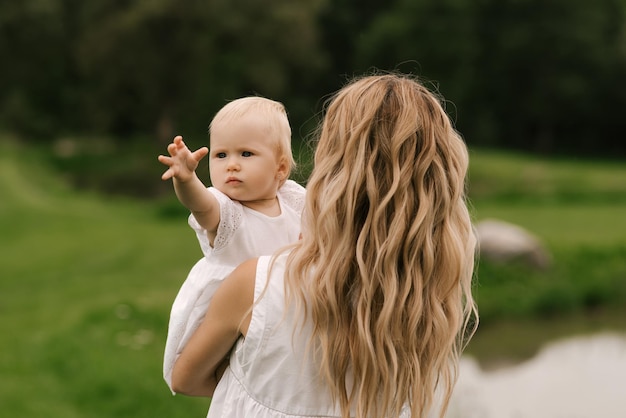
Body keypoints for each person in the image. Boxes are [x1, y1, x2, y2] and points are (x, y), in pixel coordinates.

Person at [171, 73, 478, 418]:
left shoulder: (254, 284)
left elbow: (185, 379)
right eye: (222, 154)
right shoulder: (422, 293)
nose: (232, 164)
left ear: (332, 165)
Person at [157, 96, 306, 392]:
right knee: (233, 368)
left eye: (246, 154)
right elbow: (201, 206)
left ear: (280, 168)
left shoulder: (292, 199)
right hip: (228, 312)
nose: (232, 166)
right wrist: (186, 180)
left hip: (281, 304)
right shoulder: (226, 210)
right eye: (221, 155)